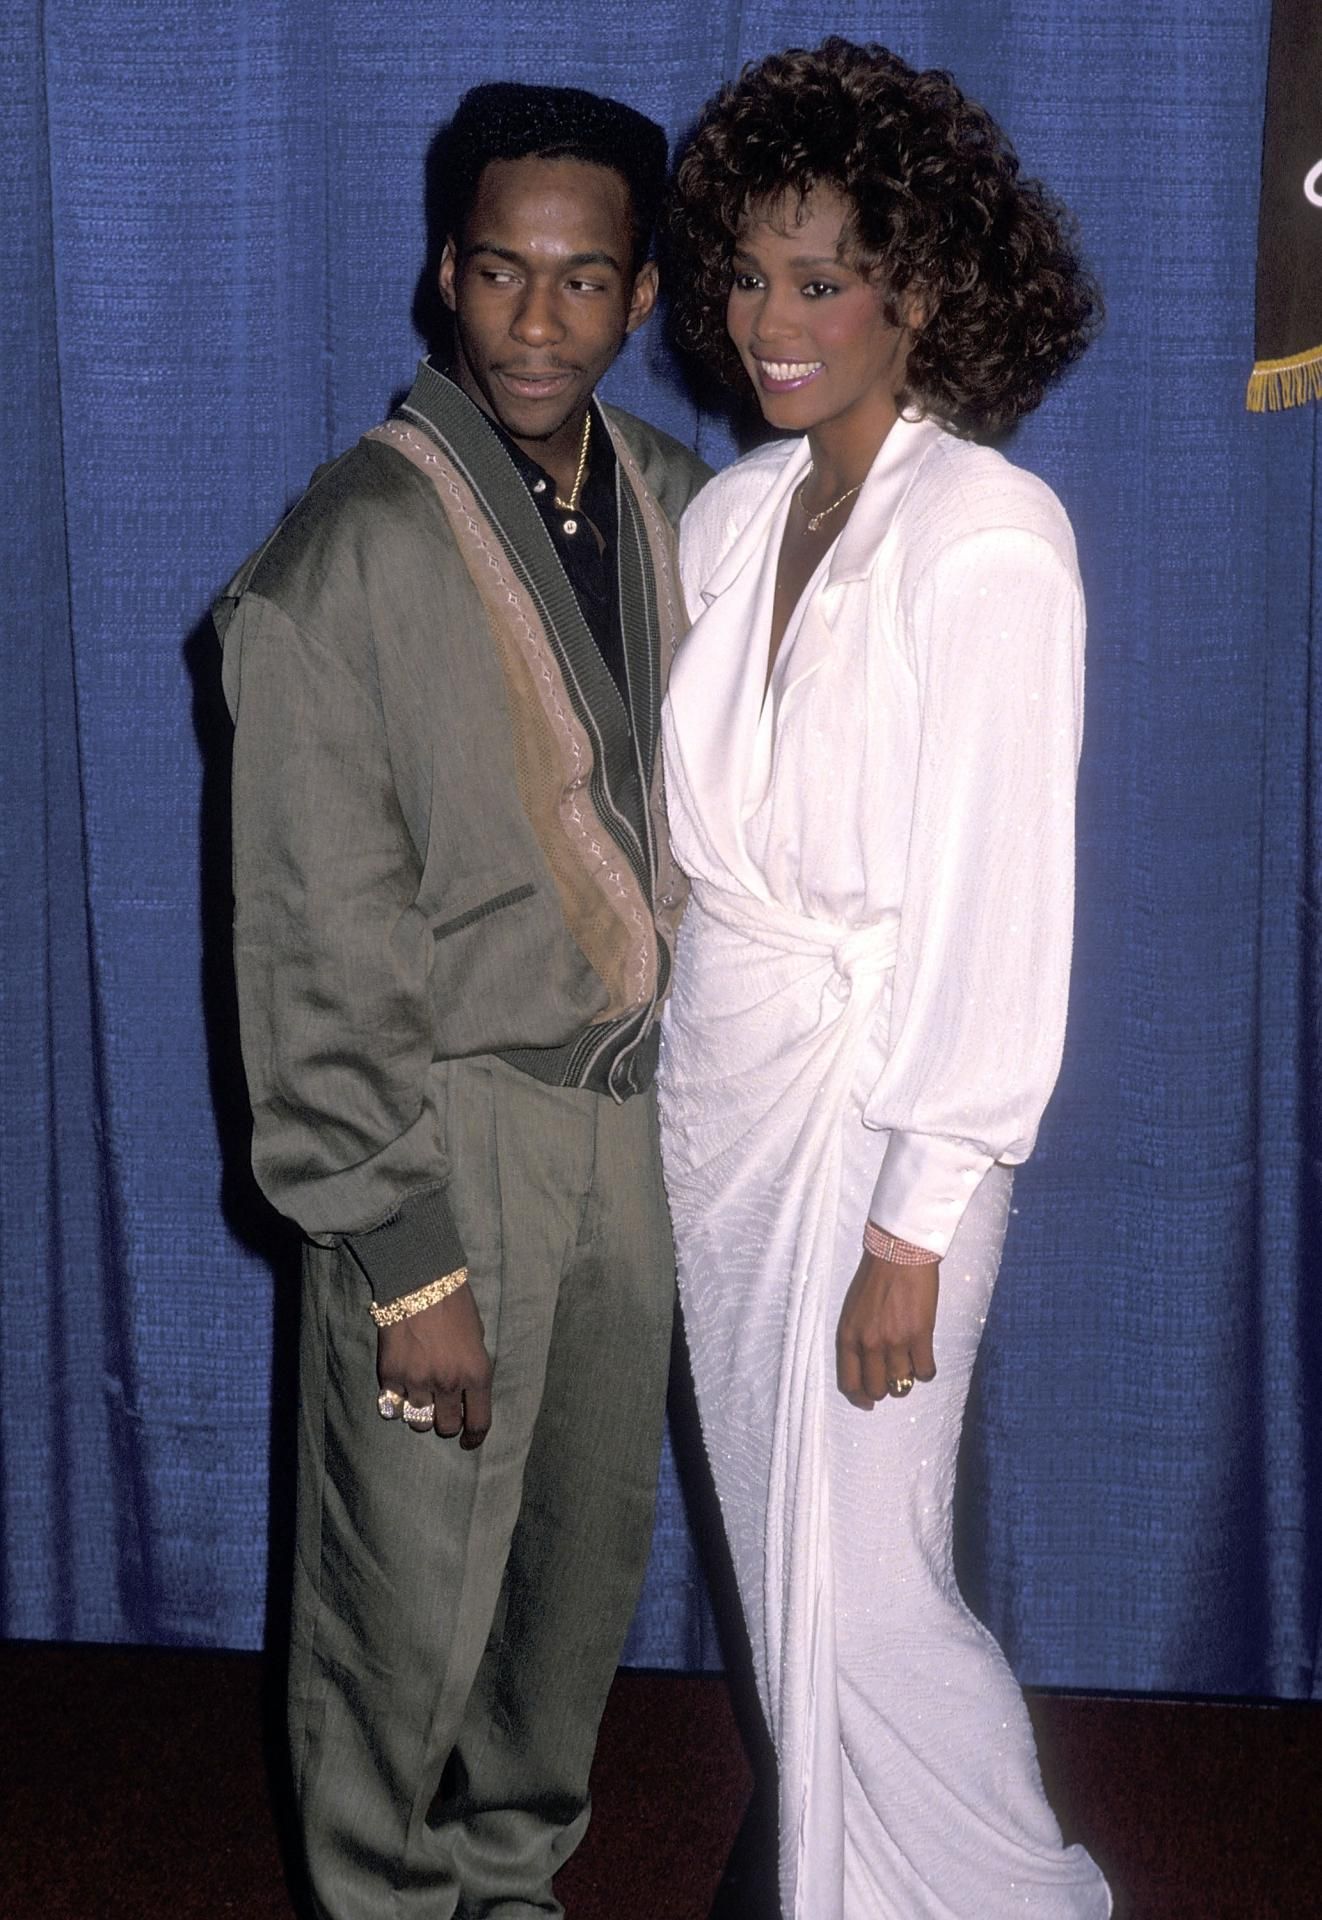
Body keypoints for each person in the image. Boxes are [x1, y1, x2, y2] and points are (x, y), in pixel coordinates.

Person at [215, 81, 708, 1920]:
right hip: (446, 1134)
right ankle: (380, 1900)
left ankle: (516, 1888)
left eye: (583, 280)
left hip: (633, 1132)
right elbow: (312, 930)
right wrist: (402, 1251)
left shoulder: (676, 508)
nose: (535, 320)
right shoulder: (349, 549)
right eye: (501, 271)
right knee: (405, 1597)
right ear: (445, 273)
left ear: (642, 295)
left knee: (575, 1579)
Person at [659, 39, 1110, 1919]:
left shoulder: (988, 537)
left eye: (820, 279)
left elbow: (998, 902)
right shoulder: (731, 515)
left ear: (920, 290)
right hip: (725, 1104)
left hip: (886, 1122)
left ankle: (1015, 1899)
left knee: (872, 1588)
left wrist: (914, 1225)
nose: (769, 322)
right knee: (788, 1587)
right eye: (746, 273)